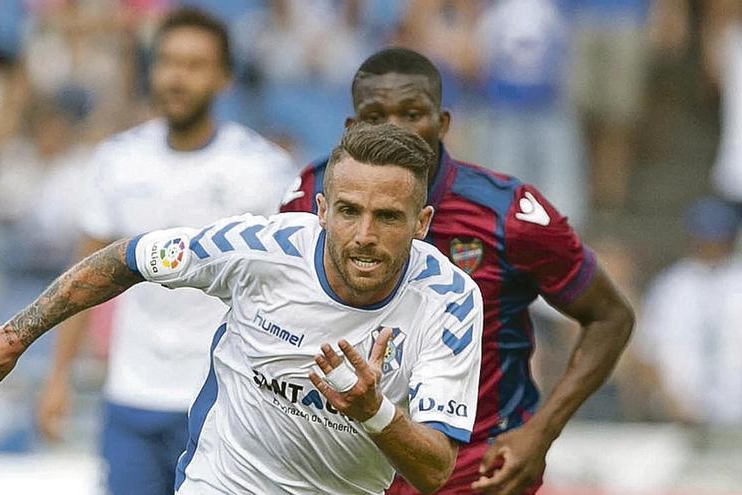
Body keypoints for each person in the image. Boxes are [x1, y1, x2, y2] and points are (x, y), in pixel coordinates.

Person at [0, 123, 485, 495]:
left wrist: (374, 411)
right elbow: (129, 256)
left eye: (388, 217)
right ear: (321, 210)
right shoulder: (258, 248)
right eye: (348, 212)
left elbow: (435, 469)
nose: (365, 235)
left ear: (422, 223)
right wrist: (14, 336)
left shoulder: (451, 301)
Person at [280, 48, 635, 495]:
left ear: (442, 123)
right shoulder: (310, 197)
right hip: (346, 471)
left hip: (473, 470)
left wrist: (541, 432)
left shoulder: (506, 214)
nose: (395, 129)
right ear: (351, 127)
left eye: (412, 113)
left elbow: (610, 316)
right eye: (375, 115)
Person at [34, 8, 294, 495]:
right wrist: (57, 377)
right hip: (133, 397)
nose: (178, 76)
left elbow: (285, 285)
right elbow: (85, 277)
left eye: (195, 65)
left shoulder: (263, 172)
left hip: (224, 402)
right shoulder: (117, 161)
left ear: (224, 78)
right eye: (168, 62)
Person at [635, 197, 742, 425]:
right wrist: (670, 402)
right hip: (680, 414)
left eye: (719, 238)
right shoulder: (671, 286)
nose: (712, 245)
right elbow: (647, 350)